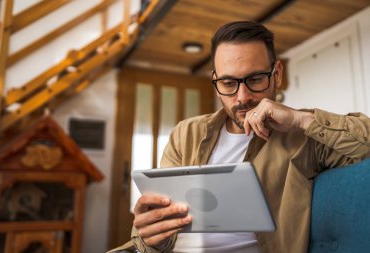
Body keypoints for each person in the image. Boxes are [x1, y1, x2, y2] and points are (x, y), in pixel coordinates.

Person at [110, 21, 370, 253]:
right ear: (216, 81)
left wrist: (300, 119)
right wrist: (152, 238)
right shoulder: (186, 133)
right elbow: (160, 230)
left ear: (276, 73)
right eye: (228, 83)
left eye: (255, 79)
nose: (243, 97)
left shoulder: (303, 136)